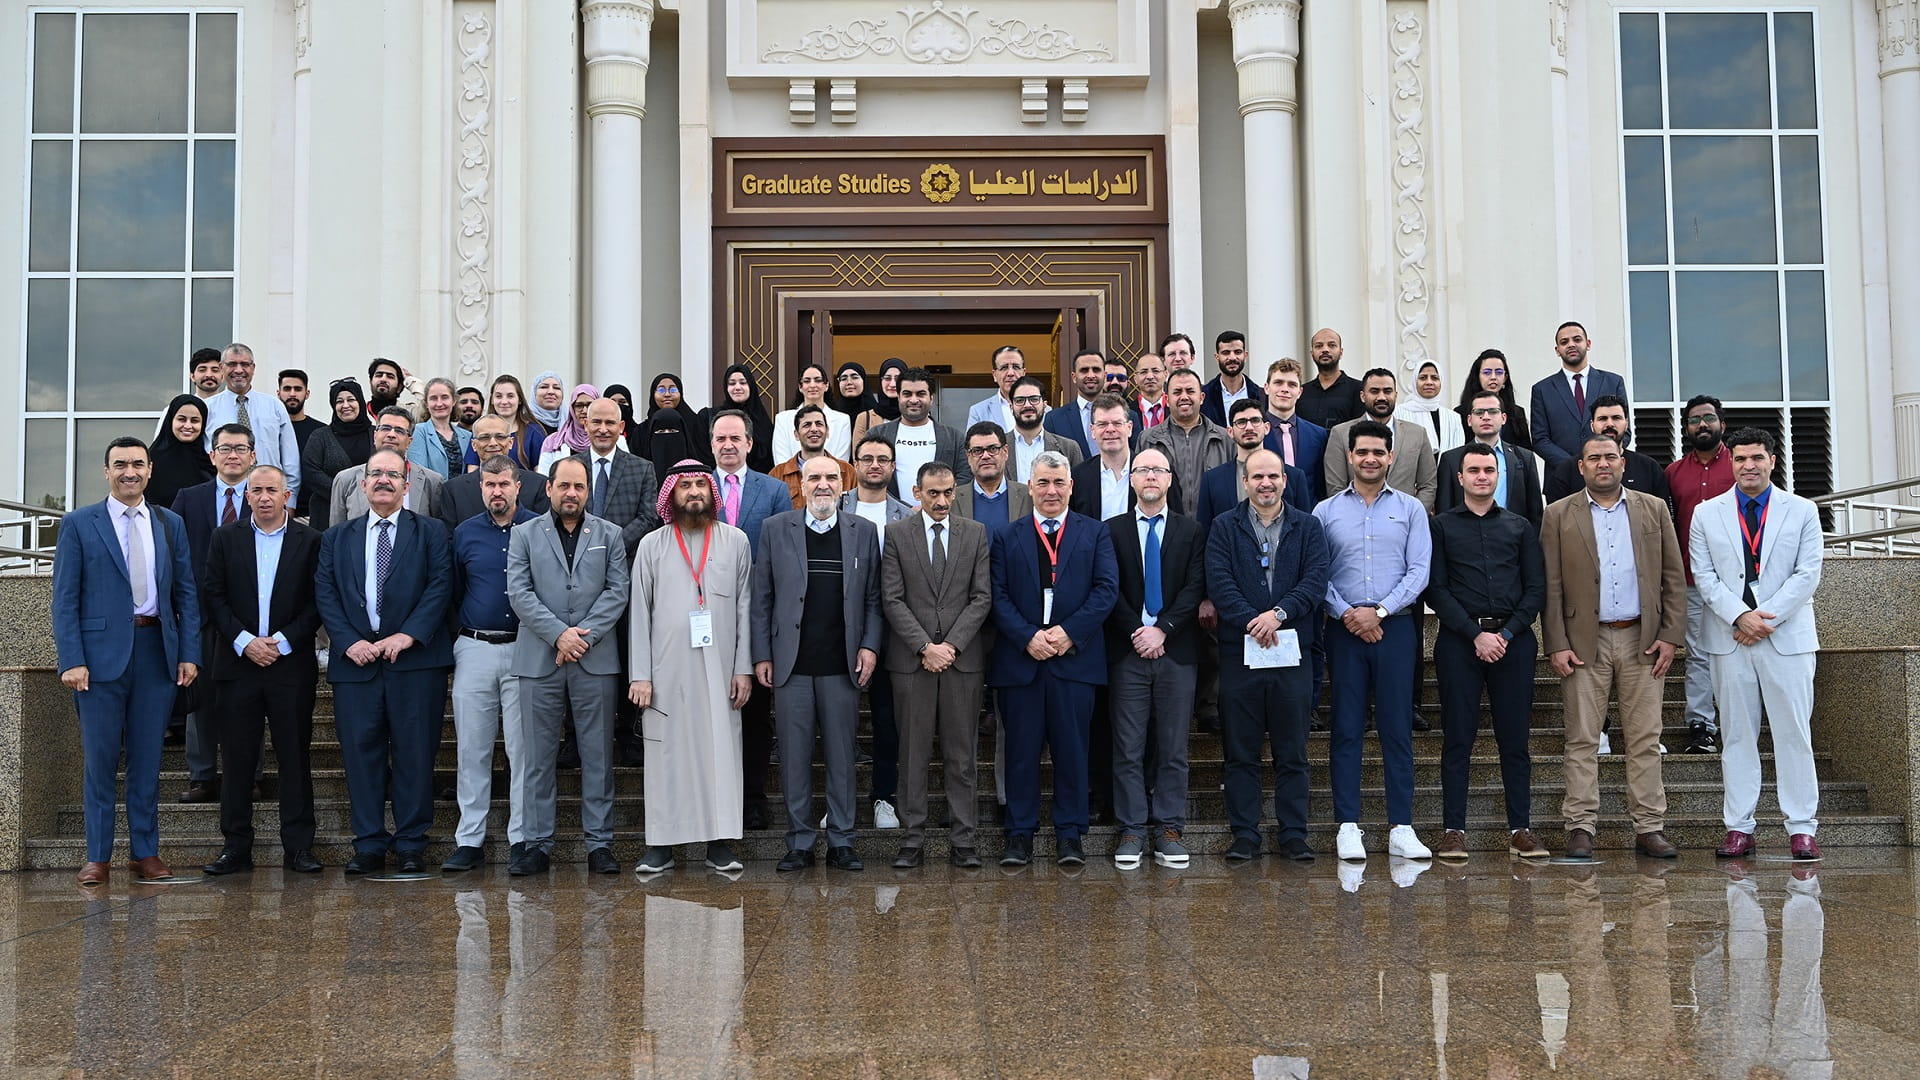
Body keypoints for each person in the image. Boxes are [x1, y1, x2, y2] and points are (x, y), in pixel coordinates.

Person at [53, 436, 201, 886]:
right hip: (97, 662)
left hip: (156, 653)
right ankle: (98, 856)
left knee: (146, 760)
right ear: (106, 471)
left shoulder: (169, 522)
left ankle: (145, 852)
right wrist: (72, 659)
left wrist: (189, 653)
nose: (129, 472)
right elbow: (65, 599)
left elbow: (186, 594)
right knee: (100, 761)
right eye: (120, 464)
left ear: (150, 470)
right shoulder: (79, 524)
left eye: (137, 464)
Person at [1541, 432, 1687, 859]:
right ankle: (1581, 826)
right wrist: (1556, 643)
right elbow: (1550, 586)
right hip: (1584, 642)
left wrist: (1669, 636)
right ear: (1581, 467)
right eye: (1593, 458)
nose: (1603, 464)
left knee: (1644, 737)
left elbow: (1672, 578)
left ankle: (1649, 826)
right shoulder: (1557, 515)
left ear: (1623, 463)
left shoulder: (1654, 509)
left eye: (1610, 456)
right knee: (1582, 738)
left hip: (1642, 639)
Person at [314, 450, 455, 874]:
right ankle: (369, 843)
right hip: (356, 666)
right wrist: (347, 641)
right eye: (375, 473)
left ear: (407, 484)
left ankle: (411, 842)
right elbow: (326, 592)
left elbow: (440, 586)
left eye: (393, 475)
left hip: (415, 664)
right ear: (362, 484)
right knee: (361, 755)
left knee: (415, 754)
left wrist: (407, 635)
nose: (383, 481)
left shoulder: (432, 532)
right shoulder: (337, 538)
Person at [1689, 429, 1824, 860]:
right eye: (1742, 458)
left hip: (1787, 638)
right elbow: (1704, 576)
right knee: (1737, 736)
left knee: (1794, 735)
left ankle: (1801, 828)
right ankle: (1738, 827)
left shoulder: (1802, 510)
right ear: (1732, 463)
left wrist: (1763, 618)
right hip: (1730, 638)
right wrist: (1739, 616)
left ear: (1772, 461)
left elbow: (1807, 574)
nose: (1749, 465)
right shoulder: (1706, 514)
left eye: (1758, 457)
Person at [988, 451, 1119, 867]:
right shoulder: (1008, 536)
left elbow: (1106, 591)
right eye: (1043, 482)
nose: (1051, 490)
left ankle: (1070, 835)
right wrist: (1028, 636)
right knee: (1021, 753)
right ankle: (1019, 836)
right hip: (1021, 661)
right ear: (1030, 486)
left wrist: (1067, 633)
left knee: (1073, 750)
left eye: (1058, 482)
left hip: (1074, 661)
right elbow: (997, 595)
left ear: (1071, 487)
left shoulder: (1095, 534)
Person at [753, 456, 883, 871]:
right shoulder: (775, 530)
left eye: (831, 477)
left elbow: (873, 600)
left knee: (843, 757)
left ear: (843, 484)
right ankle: (800, 842)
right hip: (792, 664)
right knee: (794, 757)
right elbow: (761, 599)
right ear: (801, 485)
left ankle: (842, 840)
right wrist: (761, 654)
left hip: (842, 664)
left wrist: (870, 646)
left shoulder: (862, 532)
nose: (823, 485)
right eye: (815, 478)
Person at [1314, 420, 1434, 862]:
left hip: (1396, 627)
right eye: (1361, 451)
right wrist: (1348, 613)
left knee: (1396, 728)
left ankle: (1400, 826)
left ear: (1390, 457)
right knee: (1346, 727)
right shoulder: (1325, 511)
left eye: (1377, 452)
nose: (1369, 459)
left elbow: (1419, 570)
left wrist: (1379, 611)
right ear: (1349, 456)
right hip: (1342, 629)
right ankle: (1348, 825)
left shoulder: (1410, 509)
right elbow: (1316, 572)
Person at [507, 456, 633, 876]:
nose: (572, 494)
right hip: (538, 659)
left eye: (579, 487)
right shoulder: (525, 533)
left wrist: (582, 637)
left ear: (587, 491)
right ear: (548, 488)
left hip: (594, 660)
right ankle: (537, 844)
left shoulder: (610, 534)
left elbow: (618, 591)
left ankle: (600, 843)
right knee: (538, 758)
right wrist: (559, 634)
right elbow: (519, 592)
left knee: (597, 755)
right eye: (564, 486)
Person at [629, 462, 755, 875]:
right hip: (666, 671)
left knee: (719, 751)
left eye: (702, 483)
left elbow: (745, 609)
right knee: (666, 755)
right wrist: (641, 675)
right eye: (686, 485)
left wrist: (743, 669)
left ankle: (719, 842)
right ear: (672, 494)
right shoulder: (652, 545)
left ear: (712, 491)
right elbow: (639, 615)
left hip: (720, 669)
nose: (695, 491)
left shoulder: (735, 541)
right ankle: (661, 845)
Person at [197, 465, 323, 876]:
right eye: (257, 490)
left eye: (272, 490)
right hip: (237, 665)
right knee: (236, 760)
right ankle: (236, 847)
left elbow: (318, 601)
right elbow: (213, 595)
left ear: (287, 496)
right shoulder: (225, 537)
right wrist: (245, 641)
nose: (265, 497)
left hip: (291, 665)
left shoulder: (311, 541)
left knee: (294, 757)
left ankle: (299, 848)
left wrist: (282, 642)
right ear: (246, 496)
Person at [1426, 444, 1549, 860]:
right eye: (1473, 470)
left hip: (1513, 642)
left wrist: (1508, 633)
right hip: (1459, 643)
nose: (1482, 476)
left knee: (1514, 740)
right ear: (1459, 478)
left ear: (1498, 477)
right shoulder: (1441, 527)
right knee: (1457, 739)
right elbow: (1436, 589)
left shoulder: (1520, 527)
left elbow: (1536, 588)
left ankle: (1520, 829)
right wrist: (1474, 634)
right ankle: (1453, 830)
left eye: (1489, 470)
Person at [1207, 449, 1330, 862]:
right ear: (1245, 481)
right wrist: (1253, 621)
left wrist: (1278, 615)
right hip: (1241, 653)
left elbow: (1315, 580)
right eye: (1257, 476)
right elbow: (1219, 582)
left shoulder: (1308, 526)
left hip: (1292, 653)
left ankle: (1293, 834)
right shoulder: (1225, 526)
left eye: (1273, 476)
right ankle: (1245, 835)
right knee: (1240, 751)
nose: (1266, 483)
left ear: (1285, 481)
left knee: (1292, 751)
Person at [881, 461, 993, 869]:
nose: (942, 500)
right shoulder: (896, 535)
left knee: (962, 756)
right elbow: (891, 598)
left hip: (962, 664)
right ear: (917, 491)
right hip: (913, 663)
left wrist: (952, 646)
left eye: (948, 492)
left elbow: (982, 597)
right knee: (911, 755)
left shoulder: (975, 534)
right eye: (933, 493)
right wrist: (925, 646)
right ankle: (912, 839)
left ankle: (964, 839)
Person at [1105, 447, 1206, 869]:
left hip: (1176, 652)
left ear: (1169, 479)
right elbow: (1108, 589)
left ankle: (1169, 828)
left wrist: (1162, 629)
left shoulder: (1192, 531)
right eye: (1142, 470)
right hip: (1128, 653)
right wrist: (1138, 632)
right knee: (1127, 748)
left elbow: (1195, 586)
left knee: (1172, 748)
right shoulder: (1110, 531)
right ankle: (1131, 828)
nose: (1149, 476)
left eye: (1157, 470)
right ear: (1131, 479)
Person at [442, 455, 539, 873]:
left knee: (523, 751)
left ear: (518, 485)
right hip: (475, 647)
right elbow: (453, 590)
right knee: (473, 748)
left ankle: (522, 838)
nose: (496, 491)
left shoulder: (539, 529)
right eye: (488, 485)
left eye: (503, 484)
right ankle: (469, 840)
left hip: (525, 649)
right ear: (480, 487)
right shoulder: (464, 534)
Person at [170, 422, 257, 804]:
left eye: (240, 448)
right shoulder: (189, 499)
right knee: (200, 698)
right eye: (225, 448)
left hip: (251, 620)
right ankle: (202, 774)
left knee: (248, 701)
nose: (233, 455)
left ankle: (247, 775)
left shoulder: (263, 497)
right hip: (200, 616)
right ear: (212, 455)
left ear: (253, 456)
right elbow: (171, 555)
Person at [844, 434, 915, 827]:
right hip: (840, 628)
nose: (874, 465)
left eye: (882, 459)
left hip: (891, 634)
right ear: (855, 462)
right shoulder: (834, 507)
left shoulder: (906, 516)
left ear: (892, 467)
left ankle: (883, 797)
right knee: (838, 721)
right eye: (867, 458)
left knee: (887, 720)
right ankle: (837, 800)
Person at [1666, 394, 1734, 755]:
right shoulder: (1674, 474)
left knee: (1735, 652)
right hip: (1690, 581)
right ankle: (1701, 725)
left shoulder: (1739, 466)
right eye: (1695, 420)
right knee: (1698, 654)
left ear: (1722, 424)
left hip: (1735, 584)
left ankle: (1738, 720)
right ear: (1687, 428)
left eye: (1708, 418)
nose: (1702, 425)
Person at [1323, 368, 1439, 510]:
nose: (1382, 397)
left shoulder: (1417, 434)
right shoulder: (1340, 434)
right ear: (1362, 396)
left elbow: (1428, 485)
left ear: (1396, 395)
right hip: (1355, 523)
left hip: (1404, 523)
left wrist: (1413, 515)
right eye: (1374, 391)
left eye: (1387, 391)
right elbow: (1336, 488)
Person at [203, 343, 302, 505]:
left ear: (253, 368)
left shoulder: (274, 406)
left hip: (268, 497)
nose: (239, 370)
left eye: (245, 364)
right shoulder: (207, 409)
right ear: (221, 368)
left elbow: (290, 458)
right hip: (224, 497)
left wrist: (290, 501)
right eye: (232, 364)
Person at [1196, 398, 1313, 533]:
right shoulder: (1212, 480)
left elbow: (1304, 530)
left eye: (1255, 421)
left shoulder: (1295, 477)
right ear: (1230, 432)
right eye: (1241, 422)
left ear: (1267, 427)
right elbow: (1205, 533)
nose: (1249, 427)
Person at [1436, 389, 1545, 525]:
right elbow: (1443, 511)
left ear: (1503, 418)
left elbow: (1535, 513)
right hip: (1464, 537)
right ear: (1469, 420)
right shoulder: (1451, 459)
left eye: (1493, 411)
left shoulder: (1524, 457)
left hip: (1513, 537)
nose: (1486, 417)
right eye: (1479, 412)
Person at [1529, 321, 1629, 468]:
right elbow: (1540, 439)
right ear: (1557, 350)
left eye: (1577, 339)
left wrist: (1600, 460)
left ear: (1588, 344)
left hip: (1606, 472)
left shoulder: (1613, 382)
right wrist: (1574, 465)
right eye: (1564, 342)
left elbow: (1624, 431)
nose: (1571, 345)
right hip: (1561, 477)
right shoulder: (1542, 390)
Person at [1543, 395, 1672, 506]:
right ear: (1592, 425)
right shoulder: (1566, 471)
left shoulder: (1649, 468)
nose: (1610, 424)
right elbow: (1556, 521)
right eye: (1602, 418)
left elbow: (1663, 518)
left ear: (1626, 423)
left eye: (1616, 418)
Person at [573, 397, 662, 558]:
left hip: (623, 562)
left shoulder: (642, 469)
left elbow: (648, 517)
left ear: (621, 427)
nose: (603, 429)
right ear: (586, 425)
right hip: (577, 561)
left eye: (610, 423)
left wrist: (612, 545)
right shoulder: (569, 467)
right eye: (596, 422)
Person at [1071, 395, 1186, 520]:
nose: (1110, 429)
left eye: (1117, 423)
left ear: (1130, 428)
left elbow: (1177, 525)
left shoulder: (1160, 473)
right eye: (1102, 424)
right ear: (1092, 430)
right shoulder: (1078, 477)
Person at [866, 367, 972, 500]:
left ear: (931, 398)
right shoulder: (877, 435)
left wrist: (934, 504)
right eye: (907, 394)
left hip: (938, 516)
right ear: (898, 397)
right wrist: (901, 508)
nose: (914, 400)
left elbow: (964, 477)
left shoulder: (954, 438)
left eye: (921, 394)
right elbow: (867, 475)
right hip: (890, 517)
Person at [1141, 370, 1234, 516]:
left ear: (1202, 397)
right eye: (1177, 392)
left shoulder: (1225, 439)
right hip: (1166, 531)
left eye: (1190, 391)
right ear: (1167, 399)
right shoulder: (1148, 439)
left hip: (1214, 530)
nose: (1184, 397)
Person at [331, 407, 446, 524]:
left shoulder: (432, 481)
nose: (391, 434)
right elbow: (337, 534)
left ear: (409, 441)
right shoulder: (345, 479)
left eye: (399, 431)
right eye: (385, 428)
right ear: (375, 436)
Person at [439, 415, 551, 529]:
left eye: (500, 436)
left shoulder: (538, 485)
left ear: (511, 442)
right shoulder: (453, 490)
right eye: (484, 437)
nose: (493, 443)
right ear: (473, 445)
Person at [301, 379, 374, 528]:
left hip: (371, 512)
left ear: (360, 401)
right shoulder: (320, 436)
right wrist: (345, 493)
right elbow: (311, 472)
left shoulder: (376, 434)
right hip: (326, 515)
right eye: (339, 401)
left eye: (351, 399)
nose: (345, 405)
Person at [1261, 358, 1329, 503]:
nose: (1285, 389)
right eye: (1278, 383)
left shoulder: (1319, 435)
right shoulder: (1254, 432)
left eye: (1292, 384)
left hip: (1308, 516)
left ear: (1299, 392)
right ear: (1267, 388)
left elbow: (1321, 485)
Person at [772, 404, 858, 508]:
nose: (814, 429)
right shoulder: (778, 475)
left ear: (827, 432)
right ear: (796, 434)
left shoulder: (848, 472)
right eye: (807, 425)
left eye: (819, 424)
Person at [1005, 375, 1084, 482]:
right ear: (1011, 406)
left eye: (1034, 399)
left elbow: (1079, 492)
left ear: (1045, 406)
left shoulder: (1069, 448)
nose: (1027, 405)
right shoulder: (997, 448)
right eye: (1020, 400)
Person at [703, 363, 777, 473]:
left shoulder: (762, 421)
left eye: (743, 383)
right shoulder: (708, 417)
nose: (737, 387)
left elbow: (768, 457)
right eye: (732, 383)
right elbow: (703, 454)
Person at [147, 396, 216, 510]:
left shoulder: (210, 462)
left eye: (195, 420)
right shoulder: (152, 461)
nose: (188, 426)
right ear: (170, 420)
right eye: (181, 419)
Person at [635, 373, 712, 475]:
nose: (667, 394)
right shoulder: (642, 430)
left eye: (673, 390)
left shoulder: (696, 425)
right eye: (661, 390)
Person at [772, 363, 851, 462]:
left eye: (818, 380)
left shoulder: (842, 420)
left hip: (831, 476)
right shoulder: (782, 419)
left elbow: (841, 462)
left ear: (826, 386)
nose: (812, 385)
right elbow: (781, 461)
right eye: (807, 381)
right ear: (800, 387)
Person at [1455, 348, 1531, 451]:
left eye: (1499, 372)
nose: (1493, 377)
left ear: (1505, 378)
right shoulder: (1460, 413)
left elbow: (1525, 452)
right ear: (1478, 376)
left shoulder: (1517, 413)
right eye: (1487, 373)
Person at [1043, 348, 1109, 459]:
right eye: (1084, 370)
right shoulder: (1054, 419)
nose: (1091, 375)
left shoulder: (1127, 415)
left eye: (1096, 370)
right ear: (1074, 377)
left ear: (1105, 376)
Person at [277, 369, 328, 514]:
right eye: (287, 389)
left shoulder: (322, 432)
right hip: (276, 511)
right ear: (278, 393)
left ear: (307, 393)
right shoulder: (270, 431)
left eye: (298, 389)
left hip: (311, 513)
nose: (292, 394)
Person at [1297, 327, 1364, 429]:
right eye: (1319, 346)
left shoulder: (1359, 389)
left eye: (1332, 345)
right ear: (1312, 354)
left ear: (1341, 352)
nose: (1325, 349)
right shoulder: (1301, 392)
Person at [1394, 360, 1464, 457]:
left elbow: (1458, 453)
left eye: (1435, 378)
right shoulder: (1399, 413)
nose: (1429, 382)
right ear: (1415, 381)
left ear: (1441, 382)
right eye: (1423, 378)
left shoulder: (1453, 418)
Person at [411, 377, 475, 479]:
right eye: (433, 398)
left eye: (444, 397)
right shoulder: (419, 431)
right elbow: (419, 473)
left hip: (461, 494)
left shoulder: (467, 436)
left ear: (454, 401)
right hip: (431, 493)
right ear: (426, 403)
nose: (439, 403)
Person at [1201, 329, 1267, 426]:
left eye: (1237, 352)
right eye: (1226, 352)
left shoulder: (1262, 396)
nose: (1232, 358)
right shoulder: (1204, 396)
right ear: (1217, 357)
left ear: (1245, 355)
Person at [533, 383, 596, 472]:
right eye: (579, 405)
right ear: (572, 409)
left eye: (590, 405)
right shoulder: (553, 441)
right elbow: (544, 477)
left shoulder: (607, 439)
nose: (584, 410)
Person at [966, 345, 1026, 433]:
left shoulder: (1044, 410)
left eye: (1016, 367)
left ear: (1024, 373)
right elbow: (972, 445)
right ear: (994, 375)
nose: (1010, 373)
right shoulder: (978, 411)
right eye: (1004, 367)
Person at [849, 357, 906, 443]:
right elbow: (857, 454)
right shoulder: (864, 418)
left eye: (898, 379)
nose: (893, 384)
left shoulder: (915, 416)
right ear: (880, 381)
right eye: (887, 378)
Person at [366, 357, 427, 421]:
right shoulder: (359, 411)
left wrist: (409, 380)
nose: (383, 379)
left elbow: (428, 403)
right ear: (370, 382)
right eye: (379, 375)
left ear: (399, 387)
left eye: (390, 377)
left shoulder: (409, 413)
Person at [1132, 352, 1169, 430]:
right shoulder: (1128, 412)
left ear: (1165, 375)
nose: (1150, 376)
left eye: (1155, 371)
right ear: (1135, 378)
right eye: (1143, 372)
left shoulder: (1175, 408)